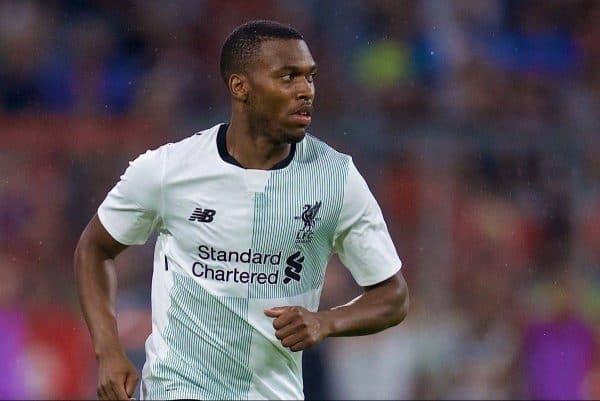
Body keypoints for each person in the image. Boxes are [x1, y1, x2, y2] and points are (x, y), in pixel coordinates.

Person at [74, 20, 409, 401]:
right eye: (287, 77)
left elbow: (393, 295)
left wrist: (327, 321)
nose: (305, 91)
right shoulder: (168, 170)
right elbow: (94, 249)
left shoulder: (337, 178)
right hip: (176, 389)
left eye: (310, 78)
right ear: (241, 87)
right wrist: (109, 351)